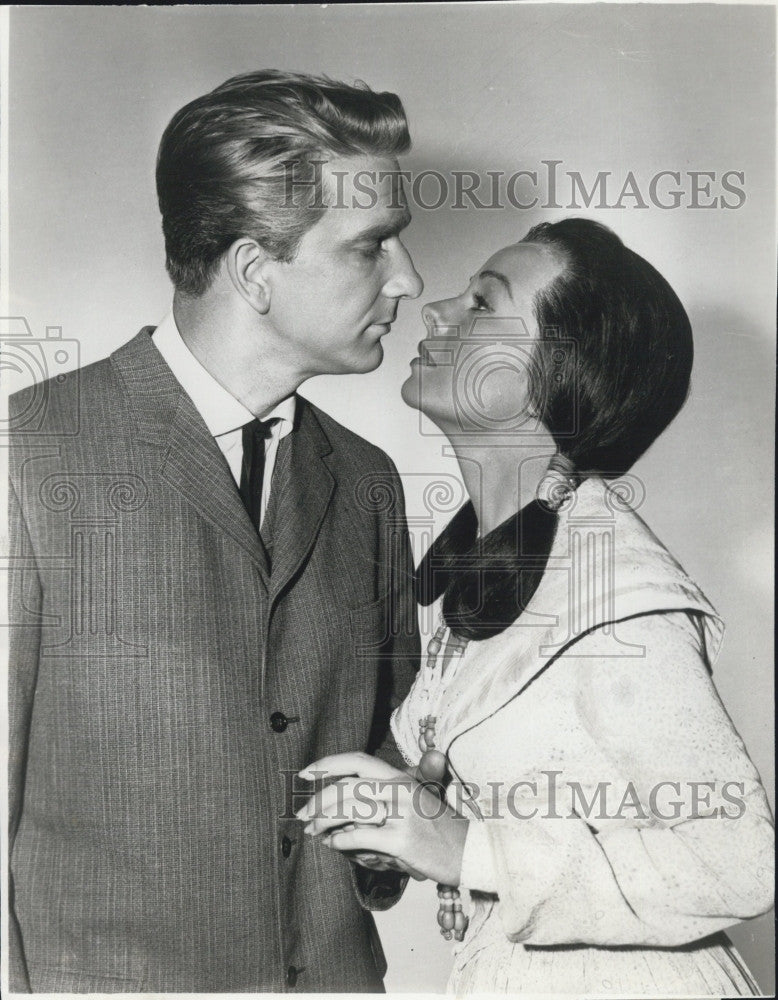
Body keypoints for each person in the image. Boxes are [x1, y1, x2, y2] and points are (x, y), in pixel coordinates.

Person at [8, 70, 424, 992]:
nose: (409, 279)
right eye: (373, 247)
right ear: (252, 271)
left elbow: (393, 741)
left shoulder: (367, 484)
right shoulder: (25, 456)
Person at [297, 218, 775, 994]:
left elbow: (740, 863)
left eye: (483, 303)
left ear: (557, 373)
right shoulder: (491, 562)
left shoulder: (614, 592)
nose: (436, 309)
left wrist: (465, 851)